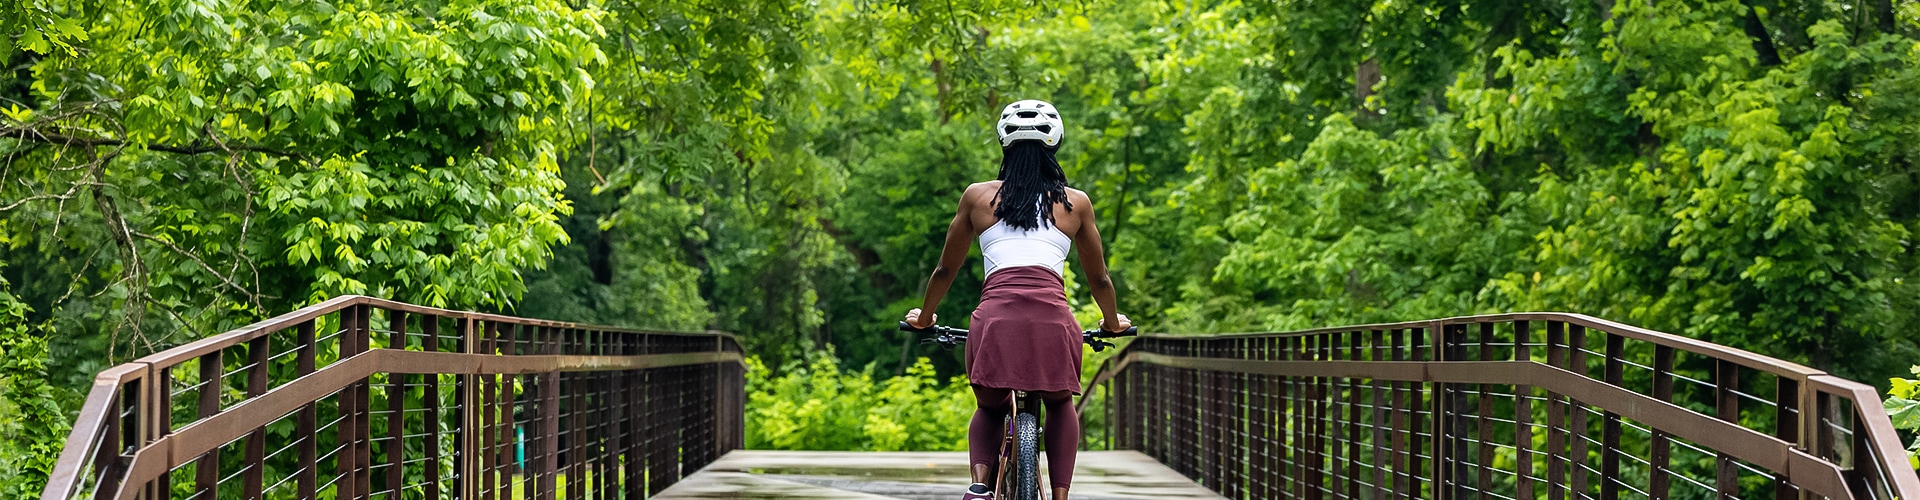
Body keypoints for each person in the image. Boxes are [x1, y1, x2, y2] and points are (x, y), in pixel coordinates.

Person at [903, 99, 1130, 500]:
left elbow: (945, 270)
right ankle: (1060, 496)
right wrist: (1112, 323)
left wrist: (926, 316)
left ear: (1004, 145)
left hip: (994, 320)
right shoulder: (1075, 203)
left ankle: (978, 484)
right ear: (1055, 144)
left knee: (990, 406)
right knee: (1060, 405)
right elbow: (1099, 277)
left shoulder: (977, 197)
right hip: (1053, 321)